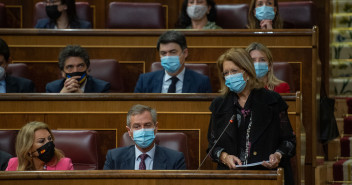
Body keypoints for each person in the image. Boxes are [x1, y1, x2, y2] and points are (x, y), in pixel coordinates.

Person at [207, 48, 296, 185]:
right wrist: (225, 157)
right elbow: (213, 145)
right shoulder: (219, 105)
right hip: (231, 178)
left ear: (247, 72)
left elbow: (289, 141)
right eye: (226, 73)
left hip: (266, 176)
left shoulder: (273, 101)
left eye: (234, 71)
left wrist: (277, 155)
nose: (230, 76)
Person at [104, 104, 186, 170]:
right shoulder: (114, 158)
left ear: (156, 128)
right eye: (137, 126)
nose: (143, 131)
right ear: (129, 131)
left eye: (147, 125)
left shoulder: (175, 159)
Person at [134, 31, 212, 93]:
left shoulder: (201, 82)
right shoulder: (145, 81)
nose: (168, 57)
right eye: (163, 53)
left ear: (185, 53)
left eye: (173, 52)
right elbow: (136, 111)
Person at [6, 121, 73, 171]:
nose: (49, 144)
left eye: (50, 139)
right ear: (28, 148)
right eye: (41, 141)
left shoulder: (65, 164)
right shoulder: (14, 164)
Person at [46, 45, 110, 93]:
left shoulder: (102, 88)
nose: (75, 71)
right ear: (63, 72)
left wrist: (82, 97)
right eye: (70, 67)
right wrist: (61, 97)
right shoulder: (52, 88)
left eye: (80, 66)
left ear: (87, 70)